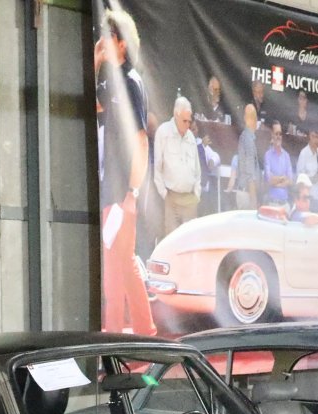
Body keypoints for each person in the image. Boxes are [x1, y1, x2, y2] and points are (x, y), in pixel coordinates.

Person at [94, 9, 155, 334]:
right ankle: (129, 332)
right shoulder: (112, 79)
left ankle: (136, 334)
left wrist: (133, 192)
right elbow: (94, 105)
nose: (102, 41)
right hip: (111, 188)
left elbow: (141, 141)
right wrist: (94, 62)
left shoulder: (131, 83)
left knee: (121, 265)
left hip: (123, 192)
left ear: (121, 43)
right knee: (117, 264)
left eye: (108, 37)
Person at [153, 96, 202, 237]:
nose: (187, 125)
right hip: (171, 198)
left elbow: (197, 170)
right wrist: (165, 194)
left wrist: (196, 194)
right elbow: (157, 168)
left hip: (190, 198)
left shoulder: (191, 137)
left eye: (189, 121)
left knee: (190, 241)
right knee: (172, 242)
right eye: (184, 121)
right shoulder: (163, 132)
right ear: (176, 115)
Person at [295, 128, 318, 210]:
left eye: (317, 137)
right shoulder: (304, 153)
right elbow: (299, 176)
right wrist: (311, 180)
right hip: (307, 198)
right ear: (309, 137)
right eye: (313, 136)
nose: (315, 140)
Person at [262, 121, 294, 204]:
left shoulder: (286, 156)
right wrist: (282, 178)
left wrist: (275, 181)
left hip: (285, 203)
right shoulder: (267, 155)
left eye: (280, 134)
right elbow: (269, 180)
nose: (278, 136)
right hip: (272, 202)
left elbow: (290, 180)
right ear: (272, 135)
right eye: (276, 134)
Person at [235, 103, 260, 208]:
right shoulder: (248, 139)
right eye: (252, 117)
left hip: (245, 192)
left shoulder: (246, 137)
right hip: (247, 195)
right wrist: (253, 200)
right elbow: (250, 174)